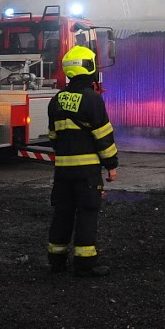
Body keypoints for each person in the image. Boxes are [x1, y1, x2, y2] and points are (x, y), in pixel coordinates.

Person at [46, 44, 119, 278]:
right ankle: (85, 264)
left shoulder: (56, 100)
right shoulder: (92, 100)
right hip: (87, 172)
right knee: (87, 213)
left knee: (62, 214)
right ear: (88, 68)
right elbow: (103, 137)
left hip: (62, 171)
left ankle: (56, 260)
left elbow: (53, 136)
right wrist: (111, 165)